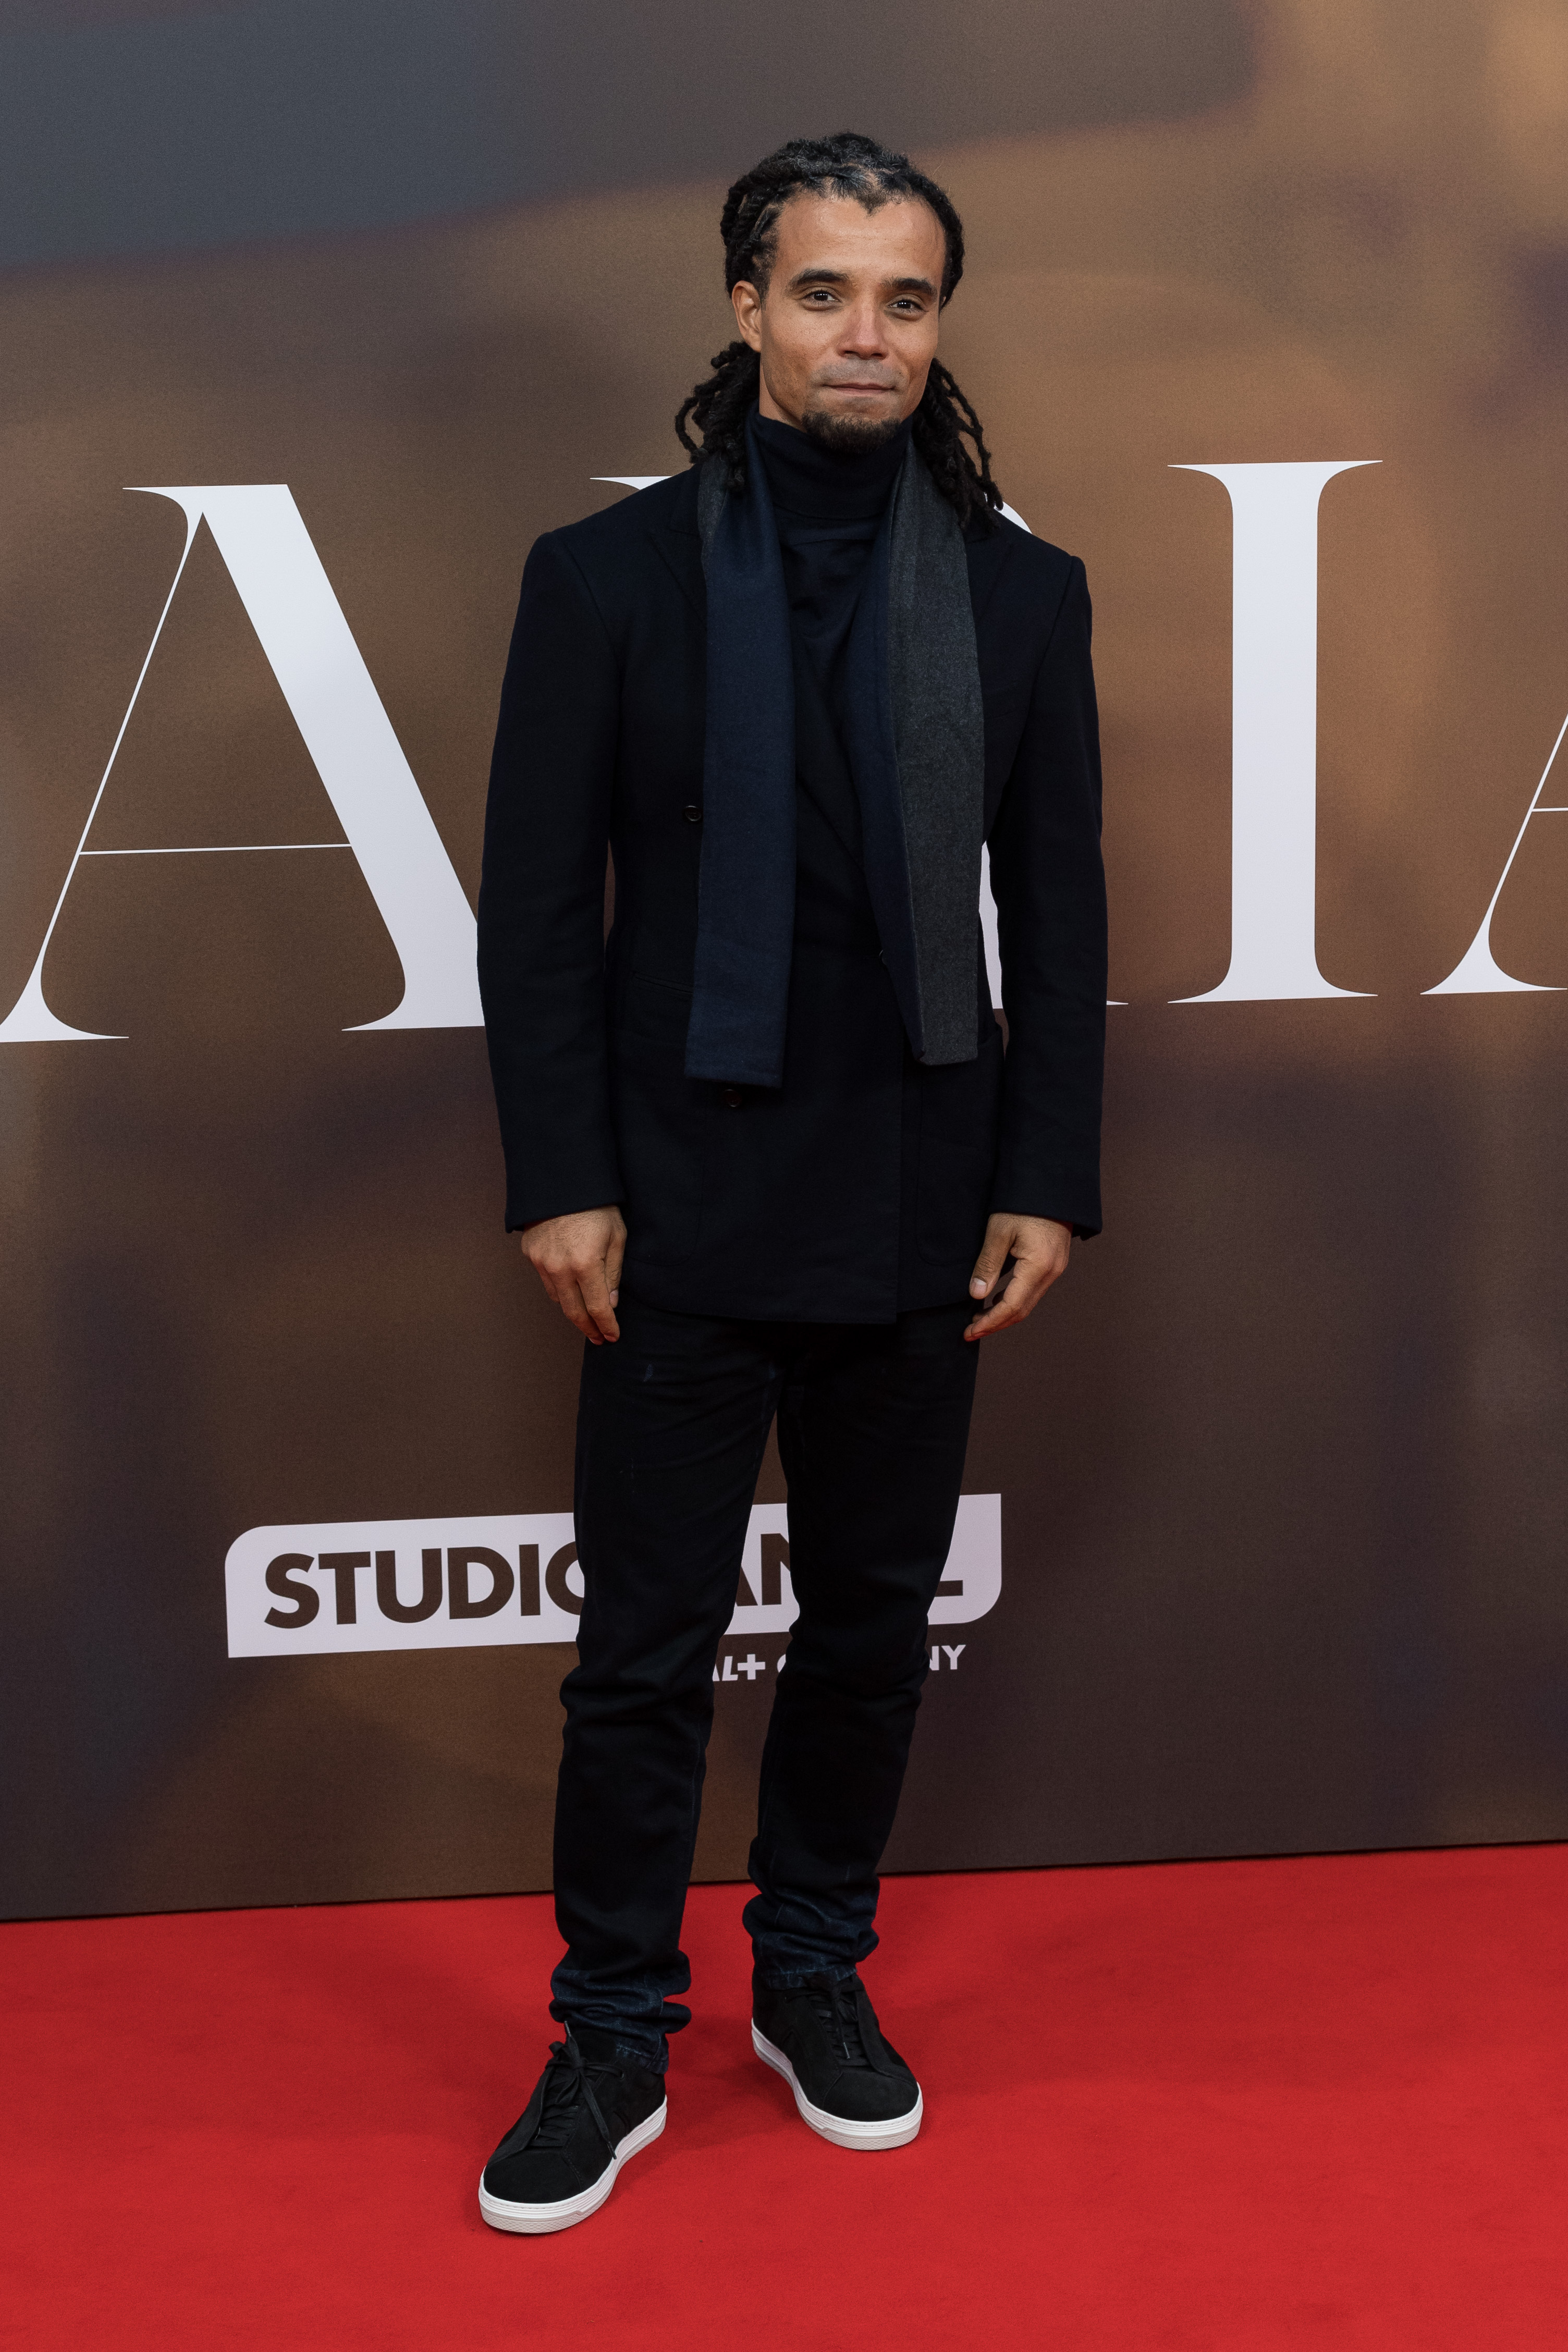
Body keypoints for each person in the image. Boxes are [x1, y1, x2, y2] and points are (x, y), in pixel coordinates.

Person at [474, 130, 1105, 2233]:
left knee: (859, 1635)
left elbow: (1065, 916)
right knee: (641, 1653)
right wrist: (561, 1174)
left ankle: (811, 1975)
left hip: (921, 1188)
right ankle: (610, 2028)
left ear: (937, 323)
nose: (865, 336)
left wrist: (1049, 1174)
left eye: (903, 299)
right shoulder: (607, 582)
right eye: (823, 293)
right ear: (744, 307)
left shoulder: (1022, 596)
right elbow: (534, 913)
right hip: (670, 1195)